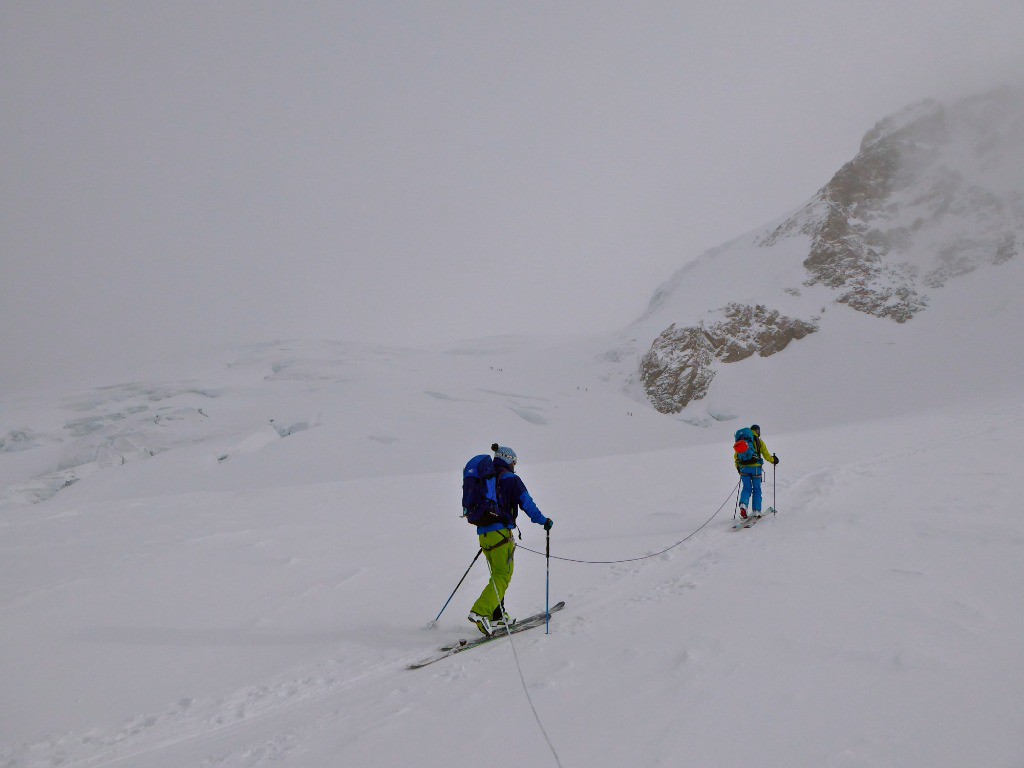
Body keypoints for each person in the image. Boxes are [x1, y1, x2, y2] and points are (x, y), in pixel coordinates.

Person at [468, 444, 553, 636]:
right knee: (502, 575)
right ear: (508, 460)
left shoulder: (485, 480)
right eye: (514, 462)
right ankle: (481, 612)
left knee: (497, 574)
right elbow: (527, 504)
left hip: (484, 535)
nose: (515, 465)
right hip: (500, 534)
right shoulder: (511, 480)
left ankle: (496, 616)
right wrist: (543, 521)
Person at [735, 424, 779, 519]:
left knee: (746, 488)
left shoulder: (741, 441)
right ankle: (756, 510)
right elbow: (766, 455)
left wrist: (738, 468)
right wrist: (774, 460)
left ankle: (743, 505)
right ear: (757, 431)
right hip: (755, 468)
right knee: (757, 489)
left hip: (743, 468)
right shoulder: (758, 441)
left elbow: (736, 456)